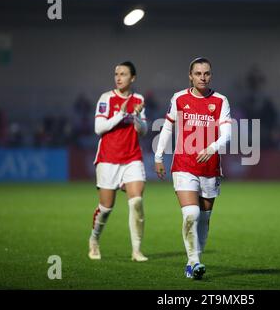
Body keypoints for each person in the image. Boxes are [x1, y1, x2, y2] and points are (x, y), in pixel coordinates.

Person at [154, 57, 232, 280]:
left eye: (206, 73)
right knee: (191, 213)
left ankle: (194, 259)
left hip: (210, 168)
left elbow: (227, 134)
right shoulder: (179, 98)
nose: (202, 77)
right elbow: (168, 128)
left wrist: (213, 146)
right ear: (190, 76)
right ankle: (194, 262)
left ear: (211, 75)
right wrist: (159, 157)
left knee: (204, 219)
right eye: (198, 73)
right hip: (183, 165)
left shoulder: (220, 101)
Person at [88, 61, 149, 262]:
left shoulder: (138, 99)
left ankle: (136, 250)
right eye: (116, 73)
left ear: (133, 78)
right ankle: (94, 240)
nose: (118, 77)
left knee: (137, 201)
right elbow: (99, 128)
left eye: (123, 74)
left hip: (132, 157)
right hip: (108, 158)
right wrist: (121, 114)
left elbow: (143, 131)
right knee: (106, 208)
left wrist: (137, 117)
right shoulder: (106, 98)